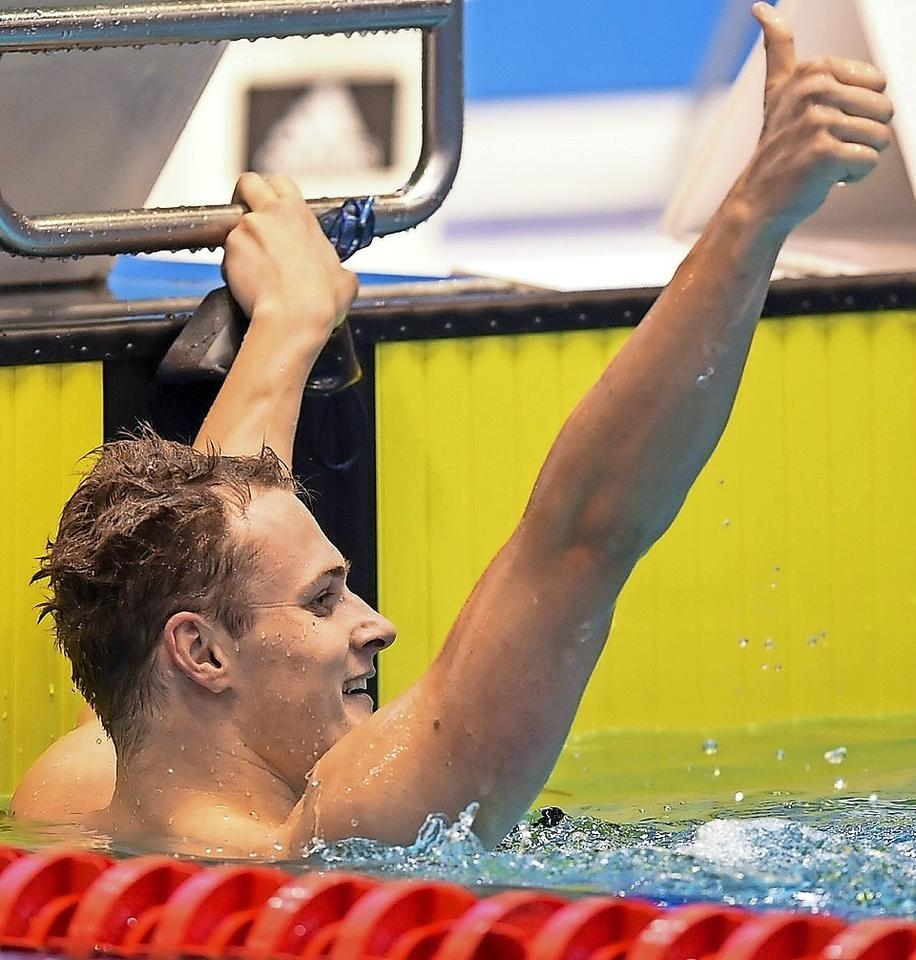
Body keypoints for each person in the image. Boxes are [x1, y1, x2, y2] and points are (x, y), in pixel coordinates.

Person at [11, 4, 894, 854]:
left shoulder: (69, 796)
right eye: (325, 598)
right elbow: (583, 533)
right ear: (199, 652)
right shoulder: (338, 843)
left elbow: (215, 533)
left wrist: (288, 322)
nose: (379, 624)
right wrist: (753, 217)